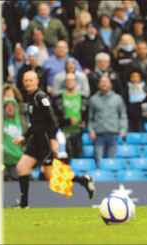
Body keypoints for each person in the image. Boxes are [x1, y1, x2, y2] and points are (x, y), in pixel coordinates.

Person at [12, 71, 94, 208]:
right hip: (35, 140)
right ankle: (24, 204)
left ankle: (83, 180)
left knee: (51, 175)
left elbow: (53, 120)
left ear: (37, 81)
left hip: (44, 140)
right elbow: (36, 123)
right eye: (25, 81)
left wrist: (52, 139)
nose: (28, 83)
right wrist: (24, 137)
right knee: (21, 167)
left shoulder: (41, 97)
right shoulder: (30, 98)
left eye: (30, 80)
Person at [88, 76, 128, 167]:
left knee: (112, 161)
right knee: (98, 160)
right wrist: (91, 131)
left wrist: (123, 129)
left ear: (111, 85)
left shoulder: (118, 98)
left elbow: (123, 115)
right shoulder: (93, 99)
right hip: (98, 134)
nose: (104, 84)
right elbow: (90, 118)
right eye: (102, 82)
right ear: (98, 85)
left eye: (106, 82)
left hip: (113, 134)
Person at [52, 72, 88, 162]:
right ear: (64, 82)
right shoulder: (58, 99)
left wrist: (84, 122)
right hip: (62, 135)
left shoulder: (83, 98)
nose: (69, 82)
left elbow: (87, 116)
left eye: (72, 80)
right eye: (67, 80)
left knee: (77, 160)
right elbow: (54, 119)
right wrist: (68, 121)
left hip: (78, 134)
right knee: (63, 162)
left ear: (76, 82)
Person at [3, 98, 27, 181]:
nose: (10, 108)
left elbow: (28, 139)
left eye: (12, 106)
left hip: (19, 161)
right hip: (3, 161)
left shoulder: (22, 122)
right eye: (8, 106)